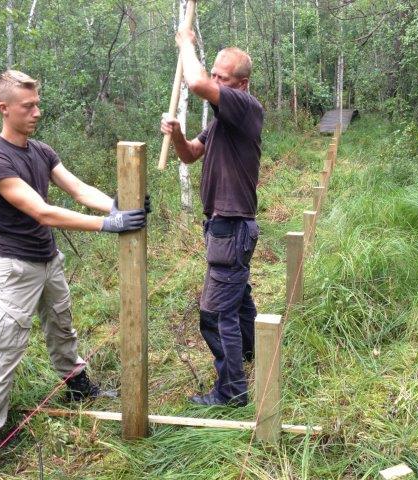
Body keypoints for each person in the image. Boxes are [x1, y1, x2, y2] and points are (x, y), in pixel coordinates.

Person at [0, 70, 149, 470]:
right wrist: (108, 224)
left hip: (49, 262)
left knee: (63, 328)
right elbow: (43, 212)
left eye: (37, 103)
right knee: (4, 349)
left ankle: (78, 387)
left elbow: (78, 189)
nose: (37, 112)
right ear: (5, 108)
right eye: (28, 106)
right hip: (16, 270)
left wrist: (118, 205)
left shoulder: (41, 151)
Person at [160, 29, 263, 407]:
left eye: (223, 77)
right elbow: (189, 155)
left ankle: (231, 391)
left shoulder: (245, 108)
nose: (216, 82)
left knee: (216, 313)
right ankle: (251, 356)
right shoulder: (223, 121)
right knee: (238, 299)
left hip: (231, 225)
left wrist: (186, 43)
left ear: (241, 84)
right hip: (224, 226)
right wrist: (177, 136)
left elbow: (197, 81)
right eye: (216, 74)